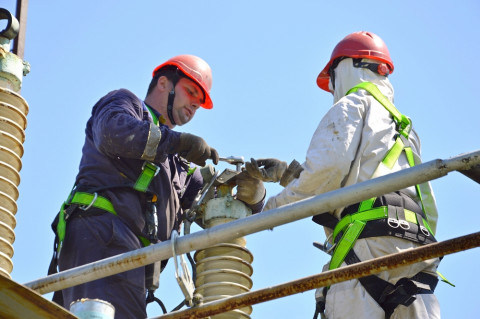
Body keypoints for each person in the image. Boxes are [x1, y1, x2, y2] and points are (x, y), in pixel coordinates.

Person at [48, 54, 265, 318]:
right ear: (164, 83)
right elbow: (113, 133)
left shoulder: (180, 167)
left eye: (200, 102)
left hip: (133, 260)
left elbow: (217, 209)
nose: (195, 104)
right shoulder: (126, 104)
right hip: (102, 237)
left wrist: (255, 195)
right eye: (191, 91)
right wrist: (178, 142)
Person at [246, 32, 440, 318]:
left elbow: (328, 170)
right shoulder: (404, 128)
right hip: (419, 249)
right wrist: (291, 176)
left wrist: (269, 210)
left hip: (368, 245)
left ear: (345, 69)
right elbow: (368, 180)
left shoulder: (352, 105)